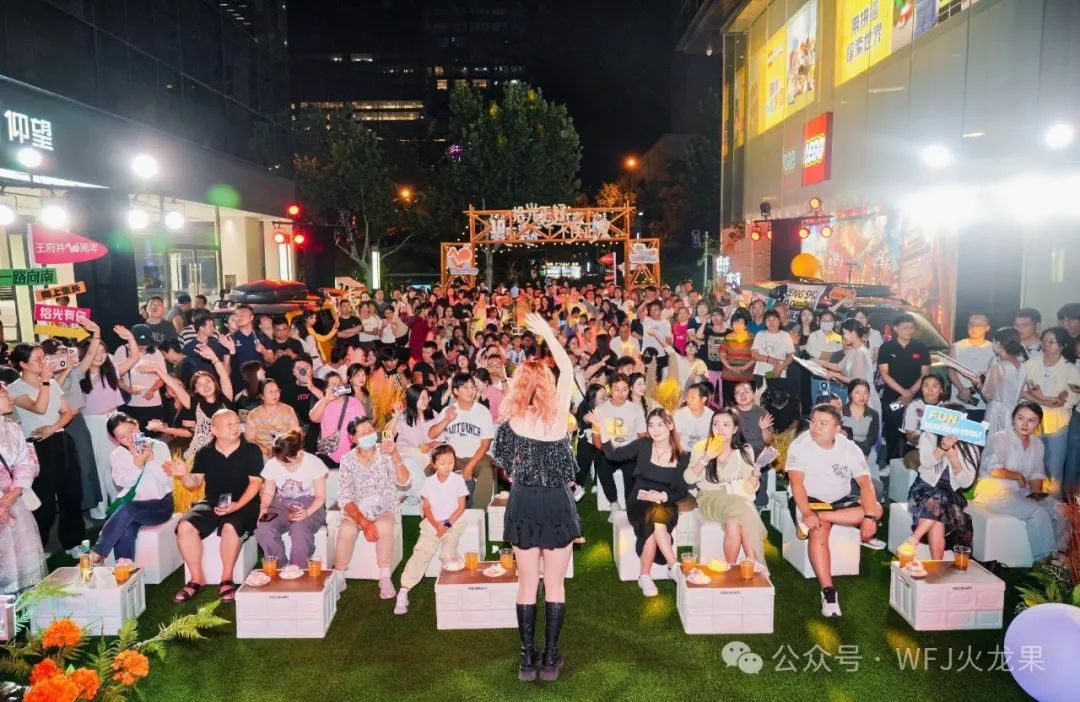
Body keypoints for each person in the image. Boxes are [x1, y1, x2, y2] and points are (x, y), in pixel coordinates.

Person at [492, 312, 580, 683]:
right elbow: (568, 369)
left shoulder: (510, 420)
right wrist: (548, 334)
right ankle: (550, 657)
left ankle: (527, 659)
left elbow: (505, 469)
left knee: (526, 584)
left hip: (523, 502)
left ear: (519, 385)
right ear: (546, 384)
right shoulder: (558, 416)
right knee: (555, 584)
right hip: (556, 502)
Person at [786, 403, 883, 618]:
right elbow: (796, 483)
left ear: (837, 429)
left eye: (823, 423)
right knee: (820, 529)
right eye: (813, 421)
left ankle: (823, 516)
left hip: (839, 499)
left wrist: (869, 517)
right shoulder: (800, 445)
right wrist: (807, 512)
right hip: (810, 498)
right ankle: (828, 592)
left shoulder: (849, 448)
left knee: (876, 509)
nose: (815, 427)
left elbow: (865, 483)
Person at [171, 410, 264, 603]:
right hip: (213, 501)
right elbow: (194, 484)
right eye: (229, 425)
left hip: (245, 503)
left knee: (230, 527)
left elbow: (255, 483)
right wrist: (184, 475)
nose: (235, 427)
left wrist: (237, 505)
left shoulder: (251, 450)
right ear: (214, 429)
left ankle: (226, 578)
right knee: (185, 526)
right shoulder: (204, 452)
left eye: (237, 423)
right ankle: (197, 579)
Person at [600, 407, 689, 598]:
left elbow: (682, 491)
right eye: (651, 425)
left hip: (665, 504)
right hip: (639, 500)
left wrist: (662, 497)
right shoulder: (643, 445)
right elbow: (613, 455)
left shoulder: (682, 457)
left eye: (660, 424)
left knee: (655, 518)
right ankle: (674, 566)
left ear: (670, 425)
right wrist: (603, 429)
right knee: (653, 516)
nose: (655, 430)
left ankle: (645, 576)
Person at [8, 343, 84, 557]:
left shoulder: (51, 382)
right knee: (44, 502)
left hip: (60, 440)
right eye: (38, 359)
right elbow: (39, 408)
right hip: (36, 446)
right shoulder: (15, 389)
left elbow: (67, 412)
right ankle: (37, 547)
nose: (44, 362)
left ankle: (73, 542)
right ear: (23, 364)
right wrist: (44, 381)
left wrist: (53, 427)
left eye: (44, 357)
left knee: (71, 494)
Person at [972, 401, 1065, 560]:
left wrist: (1038, 497)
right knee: (1037, 513)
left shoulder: (1038, 444)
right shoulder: (1000, 438)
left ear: (1038, 423)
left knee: (1062, 511)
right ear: (1013, 418)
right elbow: (993, 469)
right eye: (1021, 418)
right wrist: (1017, 475)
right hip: (994, 491)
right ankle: (1042, 560)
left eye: (1031, 420)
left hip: (1022, 492)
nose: (1025, 424)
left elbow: (1036, 475)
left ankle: (1060, 555)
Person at [334, 418, 411, 599]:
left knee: (384, 525)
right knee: (346, 528)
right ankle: (339, 574)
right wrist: (364, 522)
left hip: (384, 507)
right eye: (363, 433)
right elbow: (346, 497)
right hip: (357, 508)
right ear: (353, 438)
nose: (369, 435)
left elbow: (405, 481)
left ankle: (384, 576)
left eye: (370, 431)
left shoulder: (386, 453)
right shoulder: (347, 460)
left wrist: (396, 455)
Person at [684, 408, 767, 569]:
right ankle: (755, 563)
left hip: (737, 499)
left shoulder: (745, 450)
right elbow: (688, 478)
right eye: (715, 424)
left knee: (734, 523)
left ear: (735, 429)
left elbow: (750, 489)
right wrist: (706, 458)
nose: (719, 428)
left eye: (725, 424)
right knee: (744, 508)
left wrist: (757, 471)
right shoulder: (701, 448)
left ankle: (730, 567)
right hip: (709, 497)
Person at [89, 413, 175, 564]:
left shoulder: (158, 446)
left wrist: (150, 460)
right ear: (116, 440)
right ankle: (124, 565)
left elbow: (165, 480)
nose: (129, 438)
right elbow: (124, 483)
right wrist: (137, 464)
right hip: (134, 505)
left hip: (160, 506)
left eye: (130, 431)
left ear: (136, 425)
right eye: (122, 437)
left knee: (127, 510)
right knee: (127, 526)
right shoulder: (117, 455)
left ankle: (98, 552)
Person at [394, 444, 470, 615]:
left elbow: (461, 507)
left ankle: (452, 589)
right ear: (434, 464)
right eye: (442, 463)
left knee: (447, 553)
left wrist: (446, 525)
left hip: (453, 523)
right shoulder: (428, 482)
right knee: (422, 552)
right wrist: (437, 526)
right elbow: (426, 508)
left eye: (451, 462)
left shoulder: (457, 480)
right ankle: (404, 590)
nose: (448, 466)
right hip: (432, 523)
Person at [901, 403, 978, 561]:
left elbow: (966, 483)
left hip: (951, 494)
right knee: (939, 500)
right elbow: (926, 463)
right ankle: (935, 563)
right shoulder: (929, 436)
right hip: (923, 489)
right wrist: (942, 448)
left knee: (940, 506)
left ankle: (913, 541)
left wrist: (954, 459)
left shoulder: (971, 445)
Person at [79, 324, 141, 514]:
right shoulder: (79, 375)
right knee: (99, 464)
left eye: (103, 352)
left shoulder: (111, 371)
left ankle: (118, 504)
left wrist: (130, 337)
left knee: (118, 462)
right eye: (94, 352)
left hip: (114, 420)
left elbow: (134, 357)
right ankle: (99, 509)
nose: (99, 356)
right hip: (94, 423)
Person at [255, 430, 328, 568]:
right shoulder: (273, 464)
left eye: (287, 462)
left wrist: (307, 512)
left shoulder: (314, 463)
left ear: (299, 453)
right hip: (281, 505)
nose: (283, 465)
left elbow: (320, 497)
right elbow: (268, 493)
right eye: (280, 461)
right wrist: (263, 508)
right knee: (263, 528)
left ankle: (298, 568)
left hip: (310, 505)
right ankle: (279, 566)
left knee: (299, 528)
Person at [0, 382, 46, 593]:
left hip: (15, 499)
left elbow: (24, 461)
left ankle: (24, 599)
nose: (10, 398)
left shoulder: (12, 427)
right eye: (4, 394)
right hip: (4, 501)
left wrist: (16, 491)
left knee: (23, 549)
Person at [1021, 327, 1079, 494]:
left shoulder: (1070, 368)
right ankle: (1029, 497)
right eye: (1044, 341)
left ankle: (1052, 502)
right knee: (1030, 462)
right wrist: (1046, 399)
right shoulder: (1032, 363)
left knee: (1053, 466)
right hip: (1032, 420)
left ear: (1062, 345)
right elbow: (1022, 389)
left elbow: (1071, 397)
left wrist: (1046, 398)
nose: (1046, 344)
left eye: (1052, 342)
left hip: (1057, 422)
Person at [426, 373, 496, 509]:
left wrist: (469, 467)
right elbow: (432, 434)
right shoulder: (448, 410)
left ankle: (477, 512)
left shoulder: (483, 412)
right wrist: (447, 420)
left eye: (473, 387)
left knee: (486, 472)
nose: (471, 391)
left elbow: (485, 445)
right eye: (466, 388)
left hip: (477, 457)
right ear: (456, 391)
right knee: (429, 470)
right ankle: (442, 508)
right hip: (454, 458)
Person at [590, 373, 646, 512]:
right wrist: (607, 450)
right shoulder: (601, 409)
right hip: (609, 451)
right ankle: (614, 502)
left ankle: (630, 506)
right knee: (602, 468)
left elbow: (642, 436)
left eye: (624, 389)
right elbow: (596, 437)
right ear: (610, 389)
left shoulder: (636, 409)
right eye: (616, 389)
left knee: (631, 475)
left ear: (629, 389)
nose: (621, 394)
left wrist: (632, 452)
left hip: (629, 452)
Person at [879, 314, 931, 461]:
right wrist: (903, 392)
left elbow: (925, 374)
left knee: (914, 429)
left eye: (911, 328)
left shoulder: (921, 348)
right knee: (892, 428)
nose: (909, 331)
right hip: (894, 397)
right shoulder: (886, 347)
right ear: (896, 329)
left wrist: (911, 393)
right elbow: (884, 373)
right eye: (905, 328)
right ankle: (891, 461)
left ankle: (912, 462)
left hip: (915, 398)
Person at [979, 327, 1029, 436]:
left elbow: (987, 396)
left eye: (993, 342)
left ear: (998, 343)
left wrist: (979, 383)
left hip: (995, 414)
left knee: (993, 443)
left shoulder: (997, 366)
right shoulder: (1022, 366)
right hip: (1014, 412)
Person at [116, 324, 167, 428]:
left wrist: (152, 390)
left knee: (152, 434)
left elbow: (163, 378)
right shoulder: (122, 351)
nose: (142, 348)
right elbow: (114, 376)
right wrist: (125, 388)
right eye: (139, 345)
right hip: (129, 403)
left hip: (152, 403)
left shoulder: (156, 353)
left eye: (145, 345)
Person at [948, 314, 995, 423]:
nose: (973, 328)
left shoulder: (993, 348)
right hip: (958, 401)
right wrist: (961, 389)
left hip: (983, 404)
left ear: (987, 328)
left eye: (978, 325)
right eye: (971, 324)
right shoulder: (957, 346)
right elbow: (951, 370)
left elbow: (994, 375)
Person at [243, 379, 301, 459]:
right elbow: (250, 439)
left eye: (277, 390)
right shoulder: (254, 415)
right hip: (262, 453)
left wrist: (285, 450)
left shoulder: (288, 410)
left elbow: (295, 434)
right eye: (270, 391)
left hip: (286, 450)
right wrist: (265, 451)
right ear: (262, 396)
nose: (275, 394)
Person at [751, 310, 794, 392]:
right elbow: (753, 354)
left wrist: (781, 367)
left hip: (778, 373)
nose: (771, 322)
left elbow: (791, 355)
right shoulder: (760, 334)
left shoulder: (785, 335)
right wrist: (769, 359)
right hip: (761, 373)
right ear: (765, 322)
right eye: (768, 320)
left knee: (777, 397)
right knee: (760, 397)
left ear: (779, 321)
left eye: (774, 319)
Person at [720, 310, 755, 406]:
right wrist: (730, 368)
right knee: (729, 404)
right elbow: (722, 355)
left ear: (745, 325)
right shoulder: (727, 337)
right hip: (729, 376)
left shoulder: (753, 338)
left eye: (741, 323)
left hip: (747, 377)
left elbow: (755, 357)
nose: (738, 326)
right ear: (731, 325)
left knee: (746, 404)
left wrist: (744, 368)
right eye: (735, 323)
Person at [842, 379, 880, 464]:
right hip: (844, 447)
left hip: (865, 448)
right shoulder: (842, 411)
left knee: (872, 458)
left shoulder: (873, 414)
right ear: (850, 394)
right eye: (857, 392)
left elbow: (872, 438)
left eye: (866, 393)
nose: (862, 396)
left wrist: (864, 452)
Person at [673, 382, 714, 451]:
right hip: (683, 452)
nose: (688, 400)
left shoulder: (711, 416)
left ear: (703, 399)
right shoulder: (680, 414)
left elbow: (711, 440)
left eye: (693, 397)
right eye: (688, 396)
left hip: (702, 453)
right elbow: (676, 440)